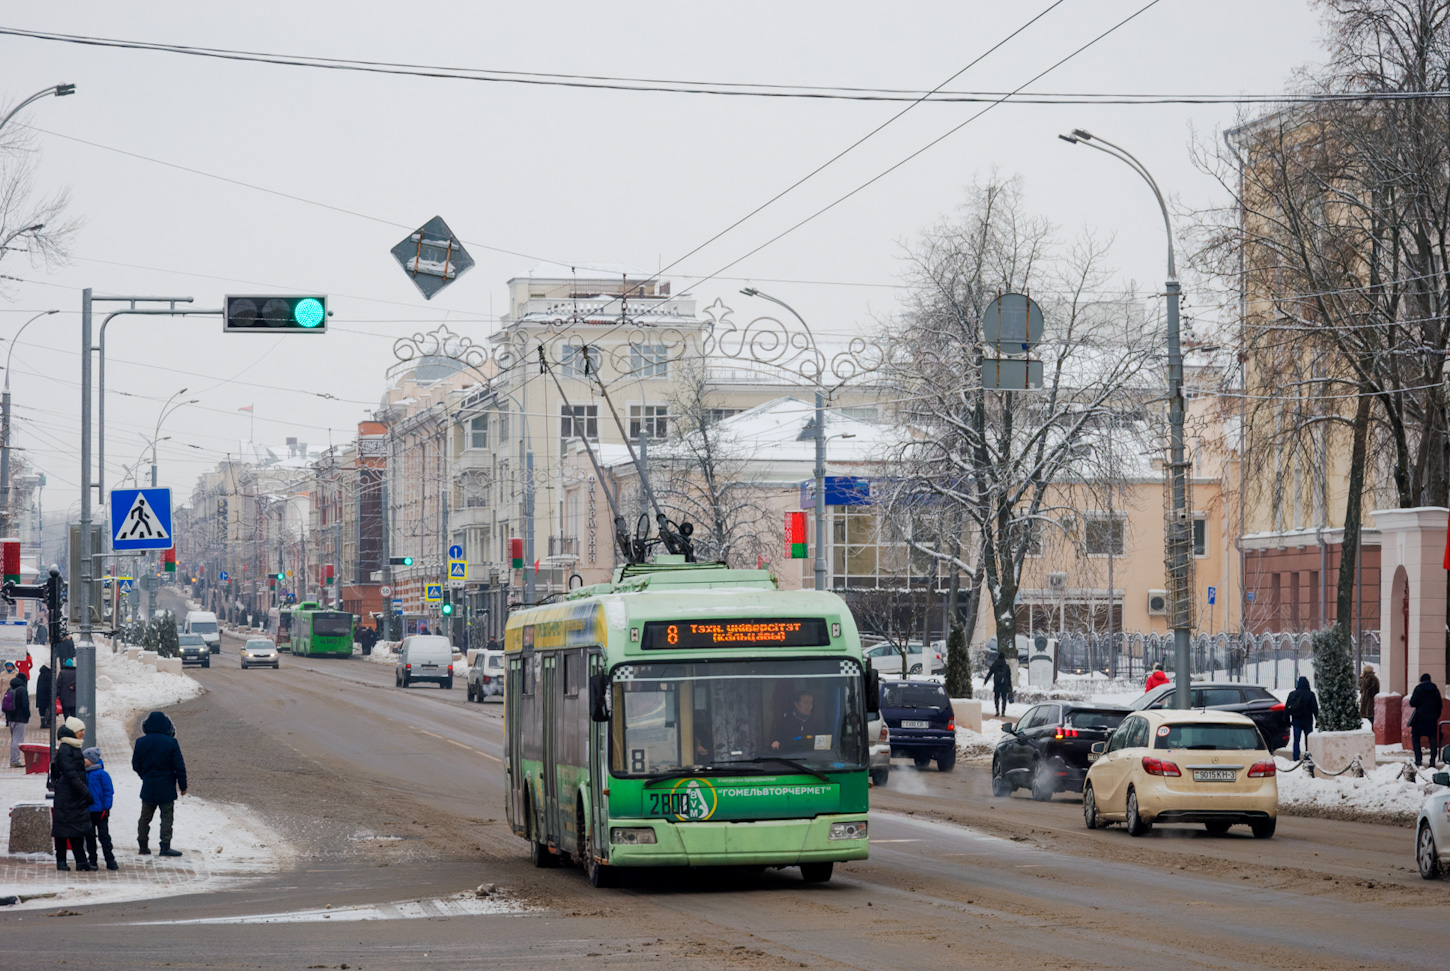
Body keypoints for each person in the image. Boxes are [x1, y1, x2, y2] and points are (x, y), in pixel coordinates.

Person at [132, 710, 187, 856]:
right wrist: (183, 786)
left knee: (145, 817)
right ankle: (165, 846)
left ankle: (143, 845)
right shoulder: (171, 742)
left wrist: (145, 775)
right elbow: (179, 767)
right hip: (166, 786)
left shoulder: (141, 742)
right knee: (166, 817)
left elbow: (135, 764)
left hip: (149, 785)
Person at [51, 717, 92, 871]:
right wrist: (85, 792)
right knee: (63, 831)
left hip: (73, 795)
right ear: (73, 732)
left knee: (76, 829)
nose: (83, 733)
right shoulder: (66, 748)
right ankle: (62, 861)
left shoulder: (72, 746)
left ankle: (80, 861)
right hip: (67, 795)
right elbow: (71, 774)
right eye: (80, 730)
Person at [83, 746, 118, 871]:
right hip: (88, 811)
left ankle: (110, 860)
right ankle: (92, 860)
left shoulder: (102, 774)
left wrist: (107, 807)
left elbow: (108, 791)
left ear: (92, 760)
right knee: (90, 837)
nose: (83, 760)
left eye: (85, 758)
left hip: (100, 811)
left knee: (104, 836)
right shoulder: (84, 773)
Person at [771, 690, 825, 754]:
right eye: (805, 703)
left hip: (811, 759)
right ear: (796, 704)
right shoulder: (785, 724)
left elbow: (823, 747)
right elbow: (776, 743)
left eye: (810, 703)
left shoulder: (817, 724)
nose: (808, 706)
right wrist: (774, 744)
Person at [1408, 673, 1444, 768]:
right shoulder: (1435, 690)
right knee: (1432, 739)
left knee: (1415, 738)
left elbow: (1412, 703)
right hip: (1432, 718)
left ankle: (1418, 760)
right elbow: (1440, 705)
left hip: (1419, 718)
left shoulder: (1418, 689)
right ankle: (1432, 761)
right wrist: (1436, 716)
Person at [1286, 676, 1319, 761]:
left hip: (1296, 720)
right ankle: (1308, 756)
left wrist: (1287, 721)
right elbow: (1314, 708)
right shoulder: (1310, 694)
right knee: (1308, 740)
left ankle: (1296, 757)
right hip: (1307, 721)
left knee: (1296, 740)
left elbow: (1286, 709)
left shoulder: (1292, 694)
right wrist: (1318, 720)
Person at [5, 671, 30, 767]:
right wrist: (27, 715)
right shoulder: (22, 690)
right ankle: (15, 761)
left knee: (13, 739)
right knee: (18, 740)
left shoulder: (10, 689)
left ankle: (13, 759)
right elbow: (25, 704)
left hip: (10, 717)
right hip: (20, 718)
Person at [983, 651, 1012, 717]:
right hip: (1004, 684)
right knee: (1004, 698)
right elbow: (1009, 677)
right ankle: (1003, 711)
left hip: (997, 684)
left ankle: (997, 710)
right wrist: (1010, 686)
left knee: (996, 698)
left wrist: (985, 681)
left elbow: (990, 673)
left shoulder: (994, 665)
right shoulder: (1006, 666)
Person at [35, 663, 52, 730]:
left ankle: (42, 722)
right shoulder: (49, 675)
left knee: (42, 710)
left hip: (40, 695)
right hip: (47, 696)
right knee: (48, 709)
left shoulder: (41, 675)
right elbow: (50, 687)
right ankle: (46, 722)